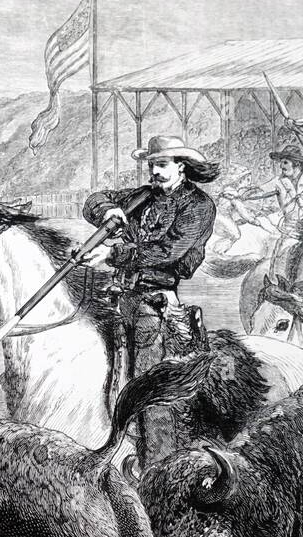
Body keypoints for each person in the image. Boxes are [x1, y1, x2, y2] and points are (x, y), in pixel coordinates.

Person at [81, 134, 219, 436]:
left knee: (148, 386)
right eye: (152, 165)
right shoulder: (142, 195)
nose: (154, 171)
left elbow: (167, 251)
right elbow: (93, 199)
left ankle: (155, 453)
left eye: (161, 165)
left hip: (154, 300)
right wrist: (107, 210)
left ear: (181, 166)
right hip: (120, 294)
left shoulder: (198, 205)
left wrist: (112, 253)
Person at [228, 142, 303, 278]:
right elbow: (259, 191)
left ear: (297, 164)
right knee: (280, 261)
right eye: (281, 162)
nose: (281, 166)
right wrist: (239, 194)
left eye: (285, 162)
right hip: (291, 232)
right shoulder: (278, 182)